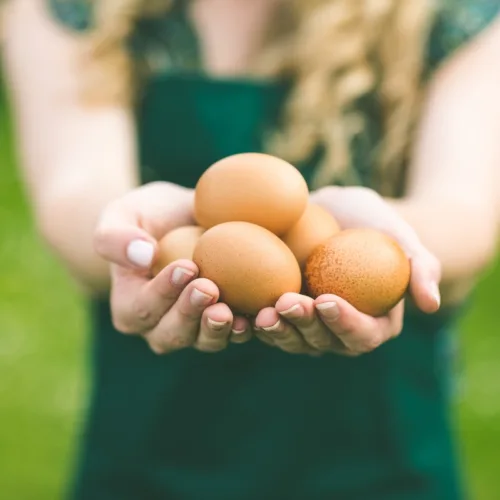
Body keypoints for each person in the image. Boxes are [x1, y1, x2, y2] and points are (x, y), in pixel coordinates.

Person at [2, 0, 500, 498]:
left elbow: (464, 212)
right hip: (155, 448)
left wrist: (379, 245)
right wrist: (135, 237)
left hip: (377, 451)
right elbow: (76, 191)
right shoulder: (78, 10)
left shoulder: (448, 13)